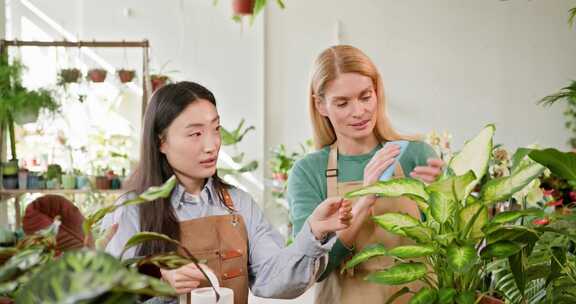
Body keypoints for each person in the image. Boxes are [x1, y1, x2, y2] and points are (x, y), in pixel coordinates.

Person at [103, 81, 353, 304]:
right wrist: (157, 283)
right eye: (195, 133)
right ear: (161, 142)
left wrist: (314, 232)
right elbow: (102, 292)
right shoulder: (130, 210)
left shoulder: (238, 204)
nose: (211, 145)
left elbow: (275, 279)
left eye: (216, 129)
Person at [287, 45, 443, 304]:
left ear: (377, 92)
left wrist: (443, 196)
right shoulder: (309, 172)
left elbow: (451, 249)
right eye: (343, 103)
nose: (358, 111)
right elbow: (313, 269)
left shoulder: (416, 155)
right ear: (321, 105)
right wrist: (367, 198)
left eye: (365, 96)